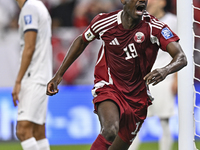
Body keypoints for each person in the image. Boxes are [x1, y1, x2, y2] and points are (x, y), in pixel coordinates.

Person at [46, 0, 187, 149]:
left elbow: (181, 57)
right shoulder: (105, 22)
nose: (142, 1)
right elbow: (81, 41)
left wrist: (165, 70)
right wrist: (58, 75)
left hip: (137, 98)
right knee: (110, 130)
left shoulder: (155, 27)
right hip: (109, 86)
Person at [129, 0, 178, 150]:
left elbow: (180, 51)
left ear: (163, 3)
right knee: (135, 120)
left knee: (164, 120)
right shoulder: (140, 21)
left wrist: (176, 78)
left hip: (164, 78)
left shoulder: (173, 22)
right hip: (141, 78)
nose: (150, 2)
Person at [12, 0, 52, 150]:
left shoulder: (29, 8)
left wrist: (18, 81)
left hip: (34, 76)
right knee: (38, 132)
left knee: (22, 130)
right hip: (42, 75)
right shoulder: (38, 6)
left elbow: (29, 47)